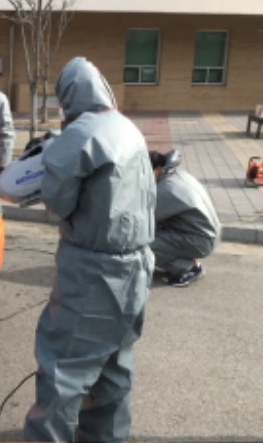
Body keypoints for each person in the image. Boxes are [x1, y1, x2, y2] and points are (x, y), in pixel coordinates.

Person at [24, 56, 156, 443]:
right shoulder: (127, 127)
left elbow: (58, 201)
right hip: (138, 265)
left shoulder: (80, 134)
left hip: (93, 269)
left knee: (63, 367)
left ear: (67, 96)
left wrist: (49, 158)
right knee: (115, 365)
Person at [149, 149, 221, 287]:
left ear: (157, 169)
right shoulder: (177, 175)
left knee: (145, 246)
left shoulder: (164, 189)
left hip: (200, 240)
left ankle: (188, 268)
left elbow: (143, 222)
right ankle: (182, 258)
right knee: (154, 234)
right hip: (205, 234)